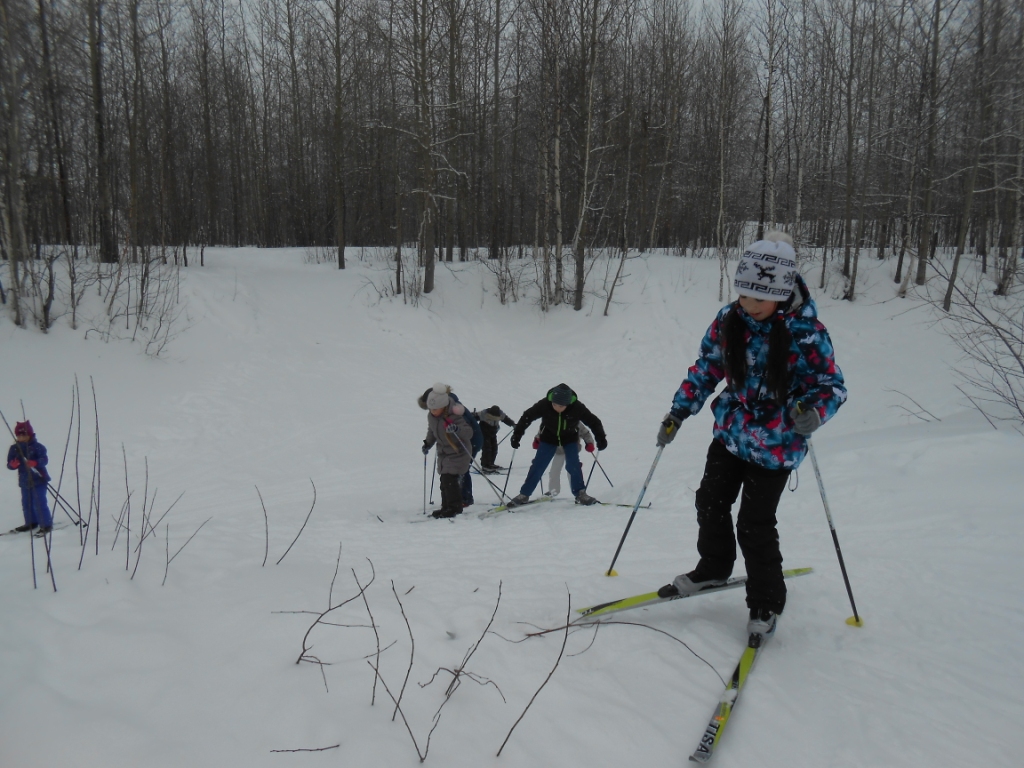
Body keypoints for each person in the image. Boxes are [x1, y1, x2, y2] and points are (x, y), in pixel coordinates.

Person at [655, 231, 846, 640]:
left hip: (777, 445)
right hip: (731, 432)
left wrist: (814, 412)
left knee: (754, 524)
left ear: (781, 293)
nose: (749, 305)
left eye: (758, 299)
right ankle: (713, 568)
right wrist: (678, 411)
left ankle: (766, 598)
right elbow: (707, 367)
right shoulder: (730, 320)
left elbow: (831, 385)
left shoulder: (805, 332)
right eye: (743, 295)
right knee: (709, 500)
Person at [507, 384, 607, 507]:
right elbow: (527, 416)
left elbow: (594, 421)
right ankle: (524, 494)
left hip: (569, 440)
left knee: (573, 465)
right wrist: (517, 435)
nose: (556, 408)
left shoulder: (577, 407)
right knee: (538, 466)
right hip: (548, 439)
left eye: (560, 406)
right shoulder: (545, 404)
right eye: (554, 404)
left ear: (567, 404)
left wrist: (600, 438)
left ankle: (580, 493)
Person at [419, 386, 482, 507]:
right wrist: (428, 443)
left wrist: (456, 429)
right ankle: (449, 504)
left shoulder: (454, 411)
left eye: (434, 408)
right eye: (430, 408)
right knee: (447, 477)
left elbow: (468, 431)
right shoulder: (435, 414)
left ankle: (463, 499)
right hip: (449, 448)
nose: (431, 410)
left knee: (457, 473)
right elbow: (432, 430)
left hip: (467, 443)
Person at [6, 420, 53, 534]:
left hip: (39, 479)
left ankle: (46, 524)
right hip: (24, 481)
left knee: (39, 502)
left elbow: (44, 460)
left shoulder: (37, 447)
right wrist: (12, 465)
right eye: (19, 435)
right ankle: (31, 522)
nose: (22, 437)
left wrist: (35, 463)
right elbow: (9, 464)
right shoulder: (14, 448)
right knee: (27, 503)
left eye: (24, 435)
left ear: (30, 435)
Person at [538, 422, 595, 496]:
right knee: (554, 471)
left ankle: (579, 493)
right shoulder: (552, 419)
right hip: (559, 450)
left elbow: (586, 433)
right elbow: (542, 432)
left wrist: (589, 443)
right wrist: (538, 440)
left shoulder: (575, 421)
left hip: (572, 450)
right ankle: (553, 491)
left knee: (572, 472)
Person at [475, 406, 516, 472]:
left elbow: (506, 419)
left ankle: (491, 463)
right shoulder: (484, 414)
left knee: (494, 448)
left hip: (493, 433)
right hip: (484, 433)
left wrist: (513, 424)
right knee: (487, 449)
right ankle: (485, 465)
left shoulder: (500, 414)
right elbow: (472, 417)